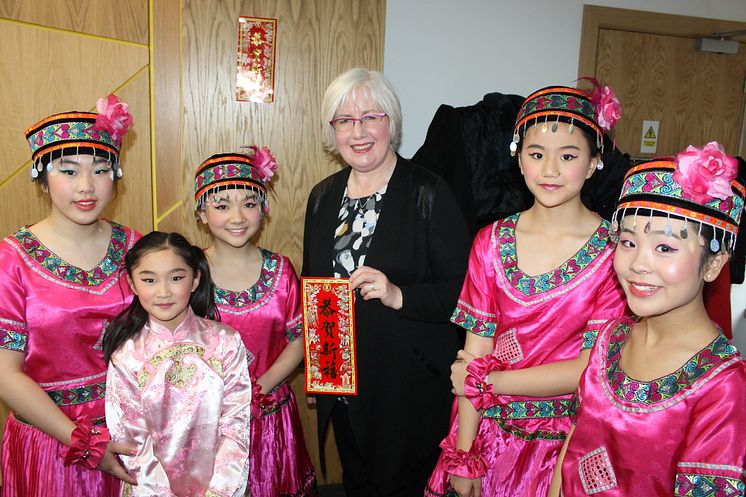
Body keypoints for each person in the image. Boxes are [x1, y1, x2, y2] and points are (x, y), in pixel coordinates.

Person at [426, 82, 629, 497]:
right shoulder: (489, 241)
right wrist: (465, 453)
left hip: (560, 447)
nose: (550, 170)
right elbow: (476, 354)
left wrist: (488, 383)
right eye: (536, 155)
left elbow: (585, 372)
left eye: (568, 156)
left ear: (594, 163)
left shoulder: (615, 253)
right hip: (485, 430)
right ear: (518, 159)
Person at [302, 68, 472, 496]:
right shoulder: (322, 196)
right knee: (357, 483)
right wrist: (320, 372)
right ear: (332, 131)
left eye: (369, 117)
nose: (357, 132)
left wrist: (400, 295)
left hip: (406, 387)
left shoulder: (429, 192)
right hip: (343, 384)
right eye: (344, 121)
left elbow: (467, 293)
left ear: (390, 123)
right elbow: (316, 287)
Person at [547, 144, 746, 496]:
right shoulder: (611, 339)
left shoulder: (724, 389)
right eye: (627, 242)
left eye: (665, 248)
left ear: (714, 264)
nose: (638, 264)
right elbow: (575, 440)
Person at [0, 96, 139, 496]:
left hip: (130, 429)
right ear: (42, 178)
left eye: (100, 170)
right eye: (68, 170)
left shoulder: (138, 249)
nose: (86, 186)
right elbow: (6, 375)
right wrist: (83, 439)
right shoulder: (12, 260)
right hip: (52, 440)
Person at [194, 149, 317, 496]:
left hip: (270, 413)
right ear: (202, 214)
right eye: (221, 206)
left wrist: (256, 390)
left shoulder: (281, 270)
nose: (237, 216)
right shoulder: (187, 271)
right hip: (208, 418)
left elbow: (298, 338)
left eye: (249, 203)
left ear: (263, 210)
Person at [103, 231, 252, 497]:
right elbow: (133, 442)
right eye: (149, 280)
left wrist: (219, 491)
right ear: (132, 284)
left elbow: (236, 424)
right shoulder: (126, 355)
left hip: (219, 487)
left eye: (176, 278)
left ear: (195, 279)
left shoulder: (226, 342)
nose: (163, 292)